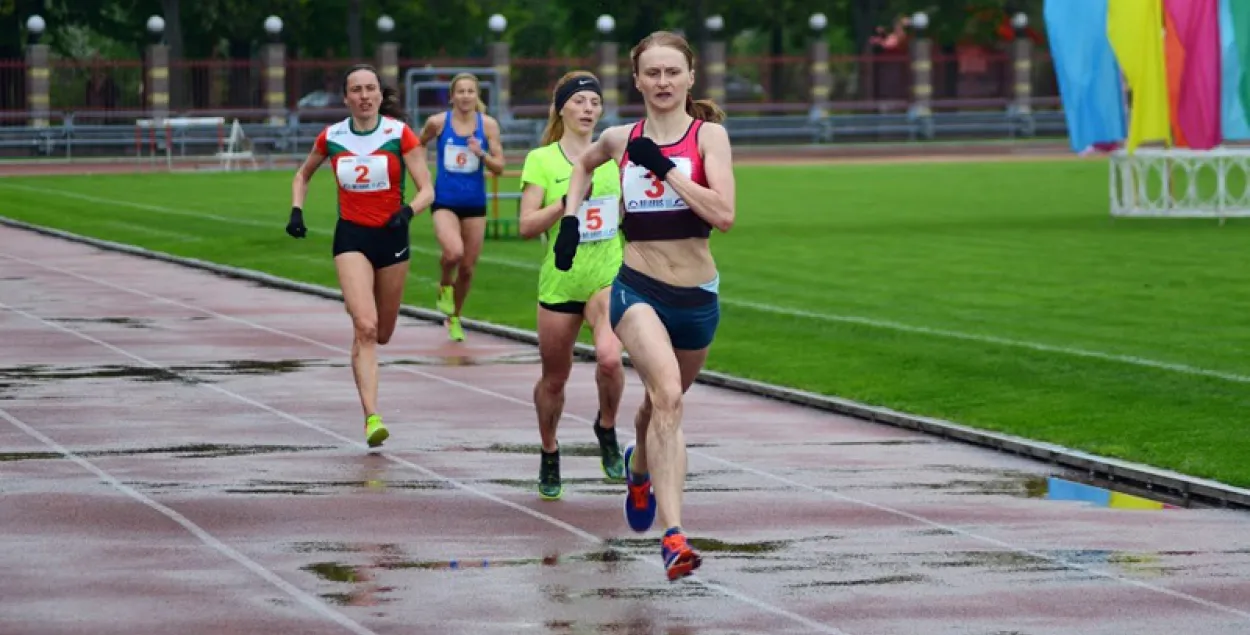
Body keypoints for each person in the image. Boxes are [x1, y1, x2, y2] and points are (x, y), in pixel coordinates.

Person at [554, 31, 735, 581]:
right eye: (652, 74)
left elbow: (724, 215)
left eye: (672, 73)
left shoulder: (710, 138)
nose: (662, 83)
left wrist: (666, 169)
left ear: (689, 78)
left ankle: (638, 467)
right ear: (636, 80)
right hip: (637, 289)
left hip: (698, 296)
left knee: (657, 409)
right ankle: (674, 536)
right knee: (668, 398)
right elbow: (582, 166)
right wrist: (569, 217)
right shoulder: (617, 137)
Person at [286, 63, 435, 448]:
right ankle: (372, 417)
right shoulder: (332, 136)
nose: (365, 96)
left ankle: (362, 322)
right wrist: (297, 210)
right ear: (346, 97)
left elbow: (427, 190)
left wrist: (408, 212)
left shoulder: (398, 134)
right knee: (365, 327)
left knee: (382, 333)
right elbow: (302, 174)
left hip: (392, 237)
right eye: (357, 90)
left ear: (381, 96)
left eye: (371, 89)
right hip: (351, 236)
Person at [517, 71, 627, 501]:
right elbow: (526, 225)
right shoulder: (542, 160)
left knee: (611, 360)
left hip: (607, 274)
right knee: (555, 380)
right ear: (561, 107)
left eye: (594, 103)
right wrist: (566, 204)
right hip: (562, 281)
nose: (587, 109)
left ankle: (606, 426)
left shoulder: (616, 156)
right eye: (579, 101)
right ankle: (549, 450)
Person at [418, 72, 506, 342]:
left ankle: (454, 316)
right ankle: (445, 284)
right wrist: (424, 182)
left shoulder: (488, 125)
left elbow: (500, 167)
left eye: (471, 91)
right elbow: (416, 146)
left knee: (468, 268)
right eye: (461, 91)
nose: (466, 96)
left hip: (474, 204)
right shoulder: (438, 123)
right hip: (444, 200)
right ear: (452, 96)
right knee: (453, 253)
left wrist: (482, 154)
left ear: (476, 96)